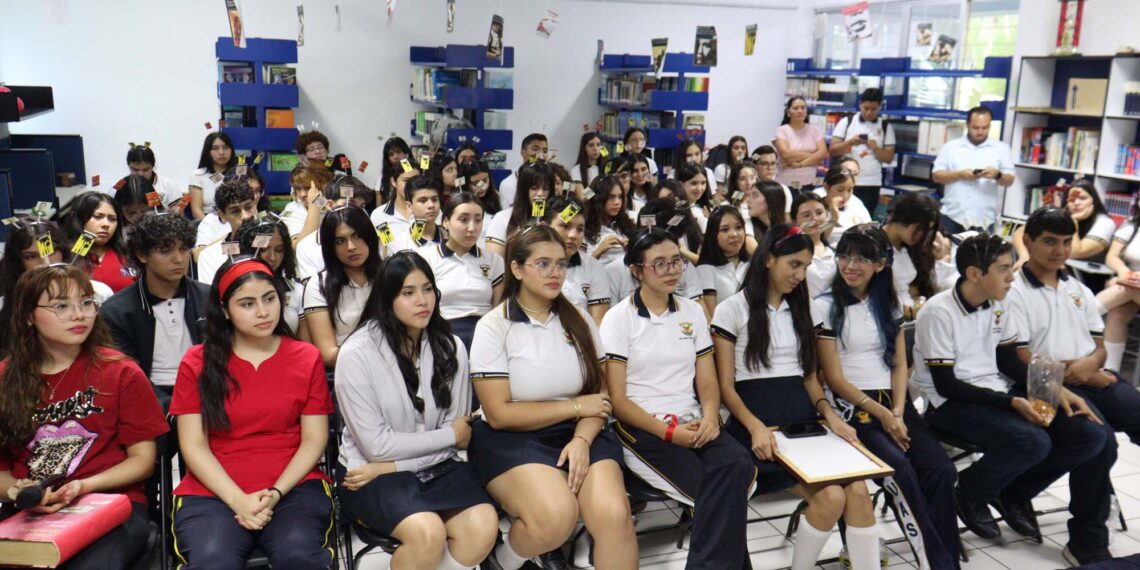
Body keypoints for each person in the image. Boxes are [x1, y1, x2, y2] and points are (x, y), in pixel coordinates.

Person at [912, 234, 1114, 562]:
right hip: (949, 404)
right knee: (1033, 441)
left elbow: (1009, 362)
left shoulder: (1000, 303)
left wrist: (1057, 390)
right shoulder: (938, 312)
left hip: (996, 392)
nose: (1011, 277)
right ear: (975, 273)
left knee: (1091, 436)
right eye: (1003, 269)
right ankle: (970, 493)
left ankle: (1013, 492)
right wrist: (1013, 403)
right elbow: (947, 385)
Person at [468, 225, 637, 570]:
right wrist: (574, 406)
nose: (555, 273)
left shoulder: (579, 320)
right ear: (517, 269)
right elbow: (499, 414)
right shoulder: (493, 326)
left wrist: (581, 439)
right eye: (543, 264)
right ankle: (504, 561)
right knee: (557, 516)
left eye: (561, 264)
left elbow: (600, 396)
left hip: (582, 430)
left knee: (615, 516)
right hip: (512, 437)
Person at [713, 224, 881, 570]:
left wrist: (830, 416)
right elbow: (726, 387)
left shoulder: (807, 309)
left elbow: (809, 379)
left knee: (860, 492)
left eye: (805, 266)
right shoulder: (732, 309)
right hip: (757, 424)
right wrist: (756, 427)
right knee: (831, 496)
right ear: (768, 260)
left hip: (805, 421)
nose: (800, 274)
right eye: (794, 265)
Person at [602, 228, 756, 569]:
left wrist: (712, 417)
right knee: (714, 492)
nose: (672, 269)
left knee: (740, 465)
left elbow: (707, 379)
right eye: (660, 264)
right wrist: (669, 433)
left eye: (676, 261)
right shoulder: (619, 319)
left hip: (692, 417)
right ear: (636, 269)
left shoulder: (691, 311)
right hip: (641, 427)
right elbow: (617, 399)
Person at [335, 252, 498, 570]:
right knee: (427, 533)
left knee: (483, 525)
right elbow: (377, 447)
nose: (422, 301)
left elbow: (458, 436)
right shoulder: (356, 354)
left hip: (417, 468)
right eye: (408, 293)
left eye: (427, 289)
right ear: (387, 298)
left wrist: (389, 466)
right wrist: (446, 437)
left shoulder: (450, 345)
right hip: (365, 473)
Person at [0, 264, 168, 570]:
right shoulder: (4, 379)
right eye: (62, 306)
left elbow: (143, 460)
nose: (79, 315)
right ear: (28, 315)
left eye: (86, 303)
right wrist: (20, 491)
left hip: (111, 504)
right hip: (29, 510)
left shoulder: (121, 371)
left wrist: (84, 486)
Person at [170, 258, 335, 569]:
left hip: (292, 486)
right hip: (214, 490)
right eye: (247, 303)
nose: (263, 312)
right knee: (212, 561)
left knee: (299, 554)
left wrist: (275, 493)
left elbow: (314, 440)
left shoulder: (305, 357)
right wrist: (238, 501)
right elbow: (193, 446)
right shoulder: (197, 362)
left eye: (270, 299)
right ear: (224, 309)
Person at [813, 225, 961, 570]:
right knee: (900, 472)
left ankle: (948, 559)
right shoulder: (825, 305)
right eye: (845, 256)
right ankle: (935, 562)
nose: (851, 265)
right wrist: (884, 414)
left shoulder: (888, 300)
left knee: (940, 469)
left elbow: (899, 362)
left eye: (863, 258)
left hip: (893, 403)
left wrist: (897, 409)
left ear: (880, 264)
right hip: (854, 407)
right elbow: (832, 377)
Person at [1006, 209, 1140, 560]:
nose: (1059, 250)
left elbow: (1098, 347)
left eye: (1067, 242)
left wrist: (1090, 365)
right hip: (1040, 385)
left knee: (1136, 410)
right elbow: (1020, 358)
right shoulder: (1013, 291)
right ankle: (1086, 543)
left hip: (1088, 375)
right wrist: (1074, 371)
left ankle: (1016, 488)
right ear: (1029, 241)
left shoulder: (1077, 288)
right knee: (1100, 441)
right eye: (1050, 241)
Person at [102, 212, 207, 409]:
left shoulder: (208, 298)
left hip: (207, 393)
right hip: (148, 399)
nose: (178, 259)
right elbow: (128, 374)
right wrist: (171, 408)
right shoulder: (116, 311)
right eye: (165, 251)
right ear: (142, 255)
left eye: (184, 249)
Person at [417, 193, 505, 352]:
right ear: (445, 222)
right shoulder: (428, 257)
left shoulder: (494, 260)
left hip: (485, 333)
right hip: (442, 333)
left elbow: (498, 308)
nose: (472, 228)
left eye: (478, 220)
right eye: (463, 220)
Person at [304, 206, 382, 368]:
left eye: (357, 236)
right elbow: (328, 354)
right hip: (347, 371)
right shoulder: (319, 285)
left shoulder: (388, 275)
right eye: (340, 241)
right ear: (329, 247)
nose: (351, 247)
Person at [931, 106, 1016, 234]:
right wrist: (959, 174)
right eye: (976, 128)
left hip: (984, 220)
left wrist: (997, 175)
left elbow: (1009, 181)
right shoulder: (951, 147)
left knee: (980, 254)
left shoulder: (1001, 149)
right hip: (952, 216)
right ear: (968, 125)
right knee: (944, 253)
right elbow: (936, 176)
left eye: (985, 128)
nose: (980, 132)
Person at [607, 199, 705, 303]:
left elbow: (701, 311)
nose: (671, 270)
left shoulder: (683, 265)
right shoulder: (614, 271)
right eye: (659, 263)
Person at [1011, 179, 1115, 277]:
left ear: (1094, 201)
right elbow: (1021, 232)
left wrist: (1073, 221)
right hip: (1060, 269)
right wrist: (1024, 256)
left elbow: (1075, 252)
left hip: (1088, 278)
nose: (1077, 203)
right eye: (1072, 199)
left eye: (1083, 198)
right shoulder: (1063, 215)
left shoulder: (1105, 223)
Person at [542, 195, 613, 326]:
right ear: (545, 227)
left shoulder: (594, 268)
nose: (573, 235)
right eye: (565, 226)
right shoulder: (529, 266)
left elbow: (598, 323)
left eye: (580, 229)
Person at [234, 217, 306, 339]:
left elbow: (305, 346)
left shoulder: (297, 291)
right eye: (263, 249)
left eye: (279, 250)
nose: (272, 257)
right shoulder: (232, 290)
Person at [828, 89, 897, 213]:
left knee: (864, 219)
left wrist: (875, 148)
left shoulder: (886, 126)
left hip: (871, 182)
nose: (869, 112)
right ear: (860, 104)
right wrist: (850, 142)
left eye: (873, 109)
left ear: (880, 107)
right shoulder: (847, 122)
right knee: (840, 216)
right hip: (844, 180)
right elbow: (832, 150)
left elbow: (888, 158)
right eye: (866, 108)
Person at [1095, 196, 1140, 371]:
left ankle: (1084, 314)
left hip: (1129, 286)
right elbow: (1112, 256)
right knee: (1117, 313)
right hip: (1131, 285)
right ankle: (1110, 371)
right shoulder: (1132, 224)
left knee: (1124, 288)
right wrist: (1124, 273)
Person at [63, 192, 136, 293]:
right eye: (98, 216)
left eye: (112, 219)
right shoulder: (66, 257)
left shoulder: (129, 254)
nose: (106, 224)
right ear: (78, 218)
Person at [195, 179, 258, 285]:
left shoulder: (271, 244)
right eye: (235, 211)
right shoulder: (209, 256)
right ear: (222, 215)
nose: (245, 216)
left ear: (255, 206)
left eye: (248, 207)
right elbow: (211, 297)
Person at [485, 162, 553, 259]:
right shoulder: (502, 219)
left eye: (546, 188)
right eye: (534, 188)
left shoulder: (554, 219)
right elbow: (495, 263)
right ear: (523, 188)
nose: (540, 193)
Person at [696, 206, 749, 319]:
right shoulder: (705, 270)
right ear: (713, 235)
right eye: (725, 230)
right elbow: (712, 318)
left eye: (739, 227)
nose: (734, 234)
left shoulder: (752, 265)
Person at [789, 193, 837, 299]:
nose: (815, 219)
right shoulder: (789, 254)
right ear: (794, 222)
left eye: (819, 213)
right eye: (806, 215)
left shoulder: (835, 253)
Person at [774, 97, 827, 189]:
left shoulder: (815, 130)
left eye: (803, 108)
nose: (800, 111)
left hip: (810, 182)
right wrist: (813, 155)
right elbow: (786, 154)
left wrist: (800, 164)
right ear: (788, 112)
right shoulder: (782, 130)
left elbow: (823, 154)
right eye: (795, 108)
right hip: (786, 183)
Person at [583, 174, 636, 267]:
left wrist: (631, 249)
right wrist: (599, 251)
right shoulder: (583, 227)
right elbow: (580, 270)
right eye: (611, 197)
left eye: (620, 197)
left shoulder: (626, 224)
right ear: (599, 199)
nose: (617, 202)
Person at [387, 175, 443, 254]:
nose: (431, 205)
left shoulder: (452, 237)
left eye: (435, 199)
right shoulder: (399, 245)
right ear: (409, 206)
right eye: (423, 201)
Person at [188, 133, 238, 221]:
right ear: (208, 152)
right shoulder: (198, 175)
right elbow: (196, 210)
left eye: (226, 147)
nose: (221, 152)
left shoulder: (241, 173)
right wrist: (210, 228)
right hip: (208, 222)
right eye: (215, 148)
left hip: (236, 220)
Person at [280, 164, 333, 245]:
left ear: (322, 186)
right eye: (298, 189)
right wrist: (314, 206)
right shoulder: (291, 209)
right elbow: (297, 246)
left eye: (307, 188)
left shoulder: (330, 205)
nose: (302, 194)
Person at [820, 166, 871, 246]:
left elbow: (869, 228)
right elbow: (818, 239)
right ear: (826, 187)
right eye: (840, 190)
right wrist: (834, 218)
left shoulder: (856, 203)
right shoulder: (816, 208)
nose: (845, 195)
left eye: (850, 190)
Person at [125, 143, 187, 208]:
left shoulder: (169, 185)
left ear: (153, 166)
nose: (141, 174)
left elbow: (177, 214)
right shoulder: (119, 186)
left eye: (145, 170)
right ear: (129, 166)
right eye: (135, 170)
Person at [500, 133, 549, 210]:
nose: (541, 155)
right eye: (535, 149)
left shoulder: (551, 177)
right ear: (523, 152)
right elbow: (515, 216)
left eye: (545, 151)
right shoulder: (508, 184)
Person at [743, 180, 789, 256]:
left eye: (755, 195)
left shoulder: (785, 229)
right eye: (749, 195)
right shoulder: (746, 224)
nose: (748, 201)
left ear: (771, 199)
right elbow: (758, 256)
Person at [752, 145, 795, 209]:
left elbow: (787, 216)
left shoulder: (783, 189)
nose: (769, 168)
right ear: (754, 166)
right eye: (764, 164)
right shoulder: (749, 188)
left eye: (773, 163)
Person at [675, 163, 714, 232]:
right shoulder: (676, 210)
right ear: (681, 184)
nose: (699, 188)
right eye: (694, 183)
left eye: (703, 183)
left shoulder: (706, 209)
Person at [378, 136, 413, 207]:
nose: (395, 157)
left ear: (406, 153)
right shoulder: (383, 178)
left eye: (398, 152)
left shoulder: (415, 173)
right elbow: (379, 205)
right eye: (391, 154)